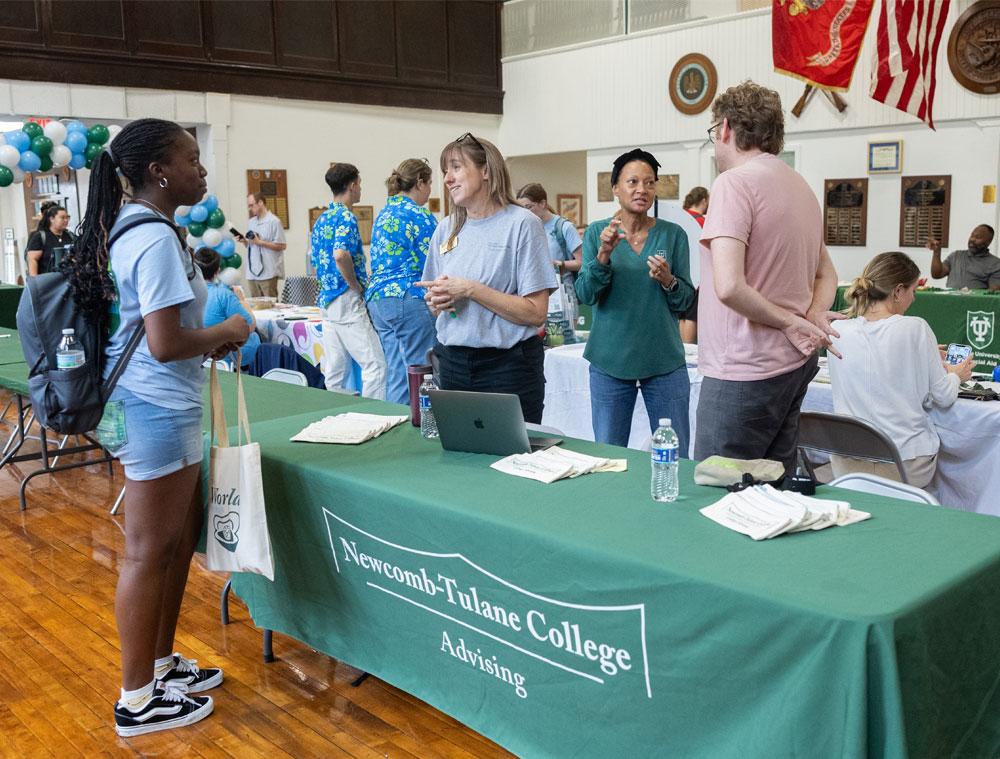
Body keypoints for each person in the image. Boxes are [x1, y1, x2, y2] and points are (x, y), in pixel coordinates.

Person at [62, 119, 250, 735]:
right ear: (158, 172)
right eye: (191, 160)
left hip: (163, 404)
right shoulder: (153, 238)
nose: (201, 171)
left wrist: (209, 341)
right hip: (154, 408)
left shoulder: (147, 230)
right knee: (148, 552)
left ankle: (161, 666)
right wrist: (227, 331)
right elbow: (167, 343)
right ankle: (137, 697)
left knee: (172, 543)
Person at [694, 80, 842, 475]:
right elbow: (827, 273)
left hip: (743, 369)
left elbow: (729, 286)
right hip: (791, 367)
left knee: (716, 489)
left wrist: (789, 320)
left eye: (714, 134)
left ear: (725, 128)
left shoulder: (734, 183)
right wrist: (810, 315)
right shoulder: (800, 186)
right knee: (772, 488)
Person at [416, 133, 557, 423]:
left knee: (511, 461)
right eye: (445, 171)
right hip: (453, 363)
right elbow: (432, 305)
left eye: (456, 167)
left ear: (486, 170)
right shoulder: (446, 229)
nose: (447, 178)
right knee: (460, 460)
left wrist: (470, 289)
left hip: (508, 368)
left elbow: (536, 312)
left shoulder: (522, 224)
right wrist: (438, 300)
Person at [575, 149, 694, 452]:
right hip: (609, 361)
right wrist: (603, 256)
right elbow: (586, 294)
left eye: (650, 183)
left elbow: (686, 301)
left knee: (675, 455)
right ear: (615, 188)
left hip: (664, 361)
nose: (642, 190)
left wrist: (669, 281)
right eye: (632, 182)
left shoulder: (673, 235)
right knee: (609, 454)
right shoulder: (597, 234)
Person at [829, 252, 973, 487]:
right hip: (904, 462)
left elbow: (873, 360)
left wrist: (922, 354)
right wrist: (955, 375)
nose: (914, 299)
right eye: (913, 291)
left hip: (847, 464)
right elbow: (943, 397)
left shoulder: (837, 330)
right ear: (898, 291)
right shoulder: (915, 328)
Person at [312, 162, 387, 399]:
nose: (360, 189)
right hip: (346, 298)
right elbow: (340, 254)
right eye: (360, 184)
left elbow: (318, 260)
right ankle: (374, 416)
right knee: (375, 365)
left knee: (335, 372)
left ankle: (337, 416)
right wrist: (354, 284)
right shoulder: (346, 217)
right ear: (353, 185)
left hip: (327, 300)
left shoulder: (322, 219)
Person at [366, 158, 437, 404]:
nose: (430, 191)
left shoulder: (385, 213)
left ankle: (397, 425)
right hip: (408, 296)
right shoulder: (421, 216)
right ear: (420, 182)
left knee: (397, 372)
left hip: (378, 300)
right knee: (422, 372)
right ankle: (423, 427)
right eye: (429, 184)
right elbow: (434, 261)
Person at [194, 247, 261, 370]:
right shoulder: (223, 294)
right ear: (218, 271)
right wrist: (242, 300)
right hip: (224, 358)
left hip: (198, 356)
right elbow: (249, 326)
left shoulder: (188, 293)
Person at [516, 182, 583, 286]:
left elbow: (582, 262)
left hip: (562, 292)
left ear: (542, 203)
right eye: (521, 209)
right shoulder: (525, 229)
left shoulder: (564, 227)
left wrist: (559, 264)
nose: (525, 213)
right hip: (534, 290)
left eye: (528, 207)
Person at [238, 192, 286, 298]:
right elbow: (253, 245)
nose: (250, 208)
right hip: (252, 272)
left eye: (251, 205)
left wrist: (261, 242)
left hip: (268, 272)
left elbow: (282, 246)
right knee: (256, 307)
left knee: (270, 307)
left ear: (260, 203)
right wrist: (245, 242)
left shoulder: (274, 221)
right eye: (248, 206)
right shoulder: (251, 222)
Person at [927, 225, 1000, 290]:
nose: (972, 239)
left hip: (975, 303)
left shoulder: (995, 264)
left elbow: (993, 294)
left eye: (978, 237)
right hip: (949, 301)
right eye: (972, 235)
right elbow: (936, 274)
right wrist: (936, 252)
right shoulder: (956, 256)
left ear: (988, 242)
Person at [679, 186, 709, 343]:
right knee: (691, 314)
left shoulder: (679, 216)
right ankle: (689, 349)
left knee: (680, 313)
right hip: (697, 272)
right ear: (703, 200)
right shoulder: (703, 221)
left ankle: (681, 347)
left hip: (679, 269)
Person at [26, 202, 75, 276]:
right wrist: (35, 281)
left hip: (68, 280)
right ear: (52, 219)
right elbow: (32, 259)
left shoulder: (71, 236)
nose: (66, 220)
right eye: (62, 218)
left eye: (67, 217)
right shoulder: (40, 236)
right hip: (47, 281)